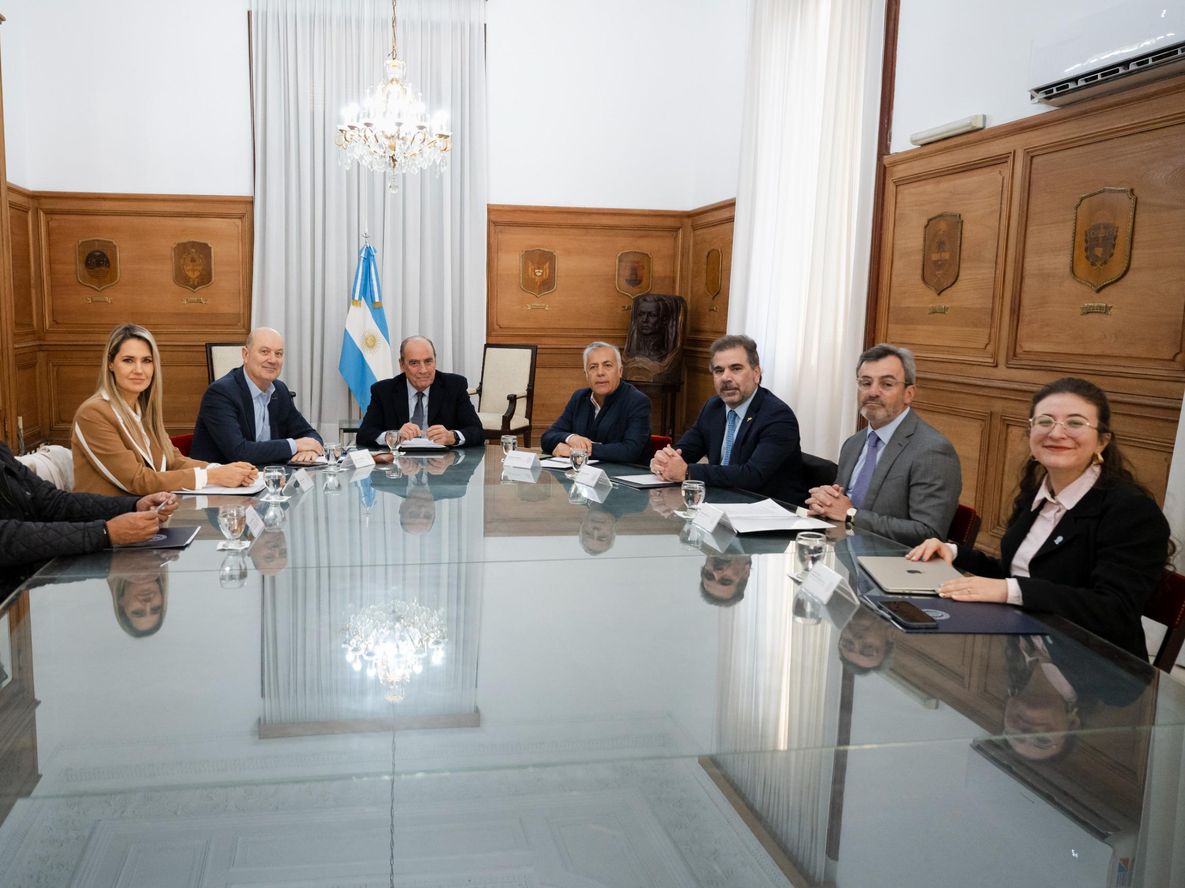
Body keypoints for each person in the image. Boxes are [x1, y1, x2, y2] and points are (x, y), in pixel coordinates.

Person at [907, 377, 1172, 659]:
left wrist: (1008, 589)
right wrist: (953, 551)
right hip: (1026, 651)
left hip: (1096, 673)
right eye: (1045, 421)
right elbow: (1021, 573)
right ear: (1031, 432)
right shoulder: (1038, 494)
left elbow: (1114, 610)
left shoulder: (1131, 511)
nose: (1057, 433)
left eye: (1075, 423)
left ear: (1102, 441)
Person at [72, 324, 257, 496]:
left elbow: (173, 460)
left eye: (146, 361)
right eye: (128, 360)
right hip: (106, 523)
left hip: (146, 514)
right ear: (111, 364)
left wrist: (223, 470)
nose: (139, 369)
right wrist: (214, 477)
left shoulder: (142, 410)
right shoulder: (93, 414)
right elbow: (137, 480)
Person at [806, 343, 961, 546]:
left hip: (896, 567)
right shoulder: (853, 444)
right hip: (844, 554)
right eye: (865, 382)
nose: (873, 392)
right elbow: (842, 508)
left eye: (887, 384)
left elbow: (929, 533)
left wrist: (851, 514)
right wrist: (825, 505)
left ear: (909, 393)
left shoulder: (933, 451)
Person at [650, 334, 806, 504]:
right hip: (721, 505)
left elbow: (753, 475)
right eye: (719, 371)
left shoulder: (778, 417)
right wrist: (665, 460)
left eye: (736, 368)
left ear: (756, 373)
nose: (726, 377)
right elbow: (685, 450)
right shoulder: (714, 407)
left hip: (771, 512)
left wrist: (688, 472)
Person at [0, 440, 178, 570]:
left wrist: (133, 505)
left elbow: (53, 502)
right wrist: (104, 532)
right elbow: (7, 537)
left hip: (35, 577)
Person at [190, 326, 324, 466]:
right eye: (264, 352)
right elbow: (239, 452)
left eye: (278, 354)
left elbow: (309, 434)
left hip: (265, 480)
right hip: (220, 483)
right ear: (245, 355)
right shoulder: (220, 393)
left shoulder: (279, 390)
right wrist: (295, 445)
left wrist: (309, 451)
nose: (272, 360)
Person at [356, 336, 483, 449]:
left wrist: (452, 436)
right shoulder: (384, 391)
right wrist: (394, 436)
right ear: (402, 365)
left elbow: (477, 431)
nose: (423, 370)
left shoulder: (454, 386)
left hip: (443, 467)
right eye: (414, 363)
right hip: (399, 469)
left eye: (428, 361)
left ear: (435, 361)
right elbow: (364, 434)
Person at [541, 341, 651, 464]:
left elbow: (630, 451)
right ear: (586, 375)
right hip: (583, 476)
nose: (600, 372)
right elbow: (547, 437)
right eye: (593, 367)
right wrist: (571, 438)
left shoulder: (637, 401)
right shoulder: (579, 398)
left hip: (622, 477)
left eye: (607, 365)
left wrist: (579, 451)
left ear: (620, 371)